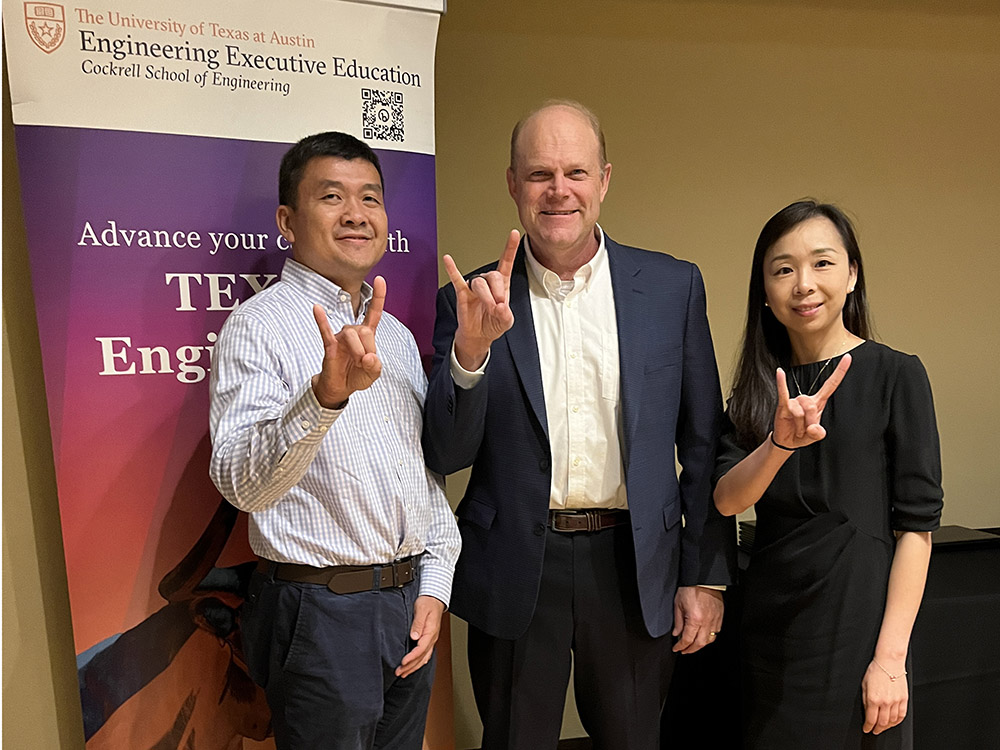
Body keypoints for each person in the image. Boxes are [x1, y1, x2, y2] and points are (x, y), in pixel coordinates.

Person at [421, 100, 736, 750]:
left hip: (633, 563)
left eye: (575, 172)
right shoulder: (473, 300)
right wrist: (470, 356)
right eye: (539, 174)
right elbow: (445, 453)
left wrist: (704, 575)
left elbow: (706, 442)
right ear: (513, 184)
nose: (558, 190)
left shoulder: (672, 288)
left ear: (604, 180)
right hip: (515, 565)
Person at [208, 131, 461, 750]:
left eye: (370, 198)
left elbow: (422, 479)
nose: (356, 213)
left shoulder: (397, 337)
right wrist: (324, 398)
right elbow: (242, 484)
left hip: (407, 607)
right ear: (287, 222)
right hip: (318, 612)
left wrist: (432, 586)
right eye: (332, 197)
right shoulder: (257, 326)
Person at [714, 200, 943, 748]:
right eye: (784, 269)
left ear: (852, 273)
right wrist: (778, 444)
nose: (804, 284)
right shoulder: (757, 388)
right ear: (764, 290)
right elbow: (724, 499)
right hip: (772, 624)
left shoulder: (897, 375)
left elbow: (917, 528)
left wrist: (890, 660)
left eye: (822, 263)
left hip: (861, 622)